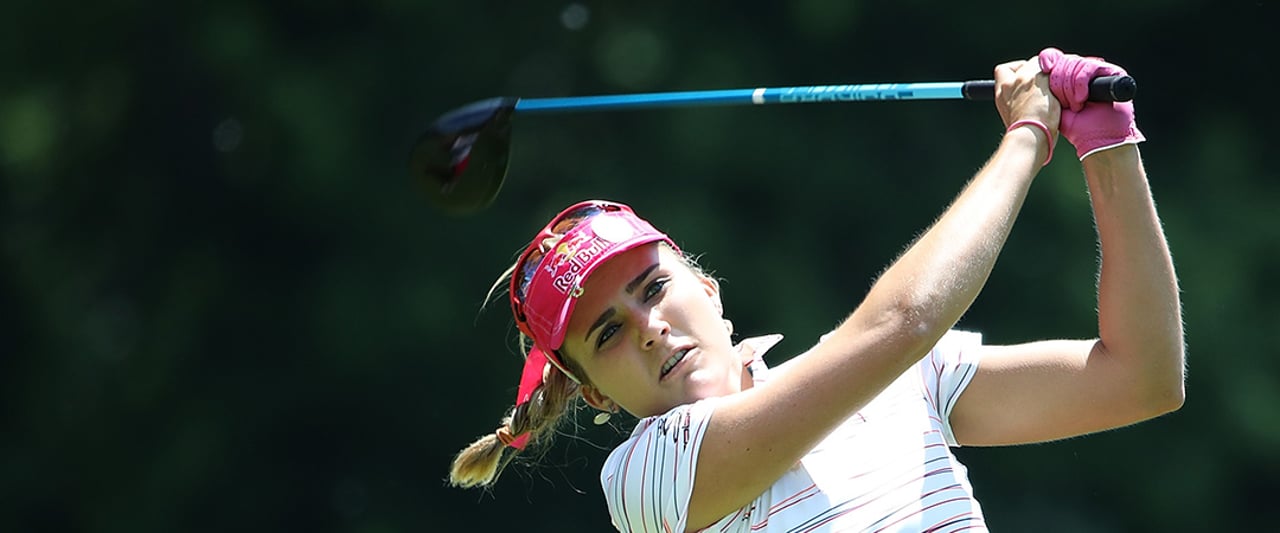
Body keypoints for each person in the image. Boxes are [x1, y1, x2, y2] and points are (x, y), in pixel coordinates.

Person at [448, 48, 1185, 532]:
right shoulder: (648, 478)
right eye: (606, 332)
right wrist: (1028, 136)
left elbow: (1142, 376)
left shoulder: (900, 379)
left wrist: (1107, 143)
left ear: (706, 286)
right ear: (595, 392)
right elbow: (904, 320)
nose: (646, 326)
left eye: (653, 287)